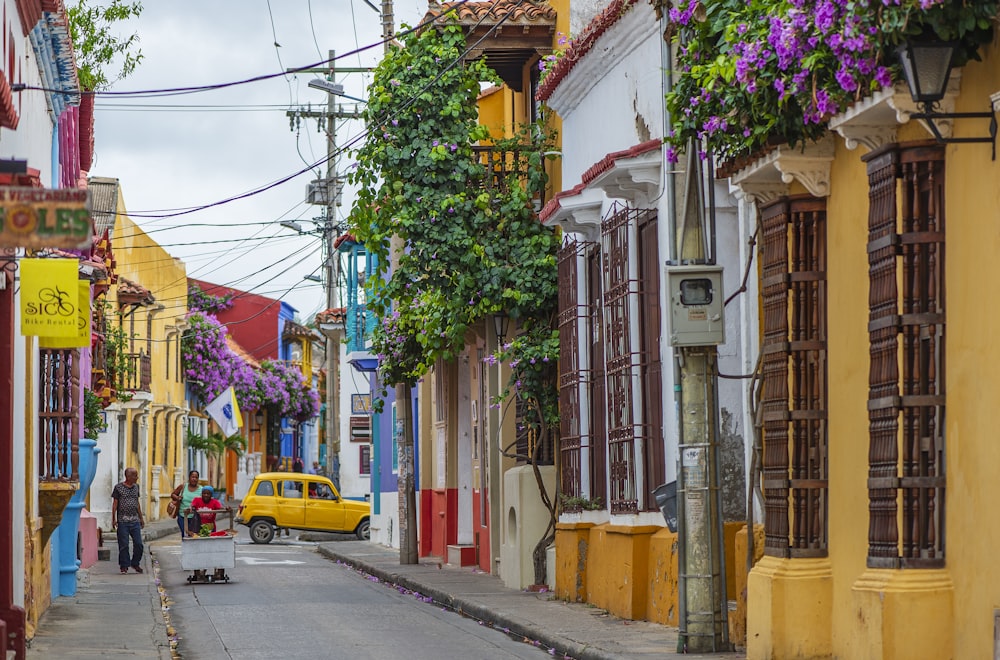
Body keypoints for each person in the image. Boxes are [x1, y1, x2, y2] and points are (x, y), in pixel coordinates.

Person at [111, 467, 145, 574]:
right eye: (135, 475)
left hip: (134, 520)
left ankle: (135, 563)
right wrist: (113, 519)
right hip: (123, 521)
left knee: (139, 544)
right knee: (124, 544)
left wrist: (141, 518)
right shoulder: (118, 488)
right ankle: (124, 565)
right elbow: (115, 504)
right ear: (128, 476)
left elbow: (137, 502)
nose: (137, 477)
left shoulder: (136, 487)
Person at [171, 470, 202, 537]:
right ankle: (185, 546)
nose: (194, 479)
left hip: (195, 517)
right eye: (192, 477)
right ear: (189, 478)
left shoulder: (201, 489)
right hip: (182, 515)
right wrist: (177, 498)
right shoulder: (183, 486)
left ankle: (192, 547)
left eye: (196, 477)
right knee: (185, 534)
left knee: (193, 535)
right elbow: (173, 494)